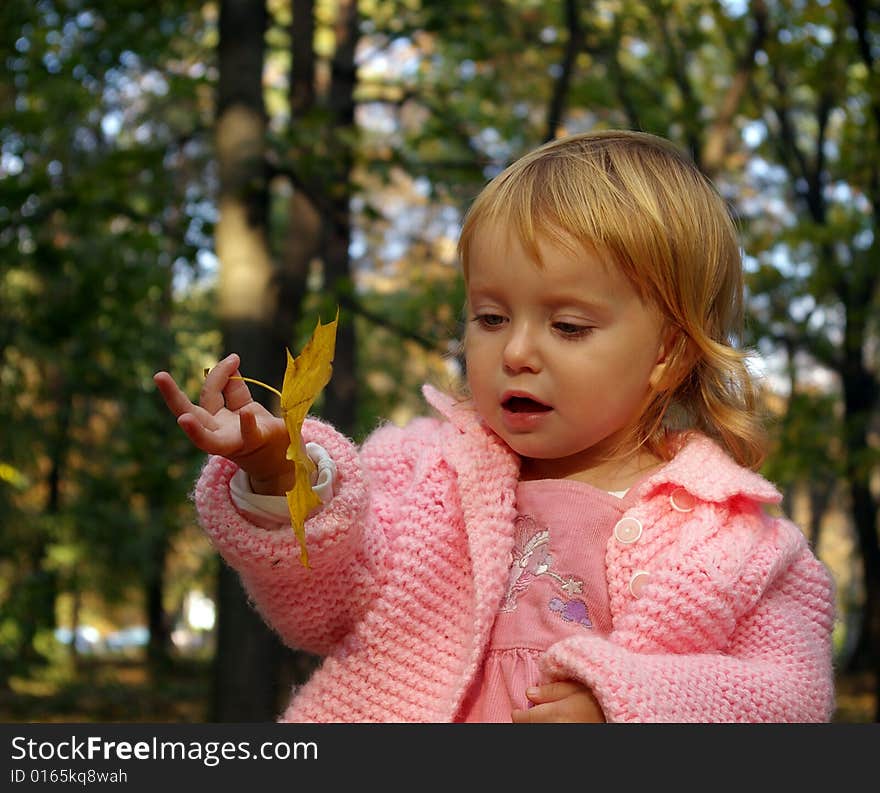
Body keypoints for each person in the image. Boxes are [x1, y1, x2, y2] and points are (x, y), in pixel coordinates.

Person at [154, 130, 836, 723]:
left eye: (567, 326)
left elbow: (790, 697)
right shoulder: (426, 475)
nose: (515, 352)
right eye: (490, 317)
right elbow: (322, 604)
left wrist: (629, 705)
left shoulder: (732, 538)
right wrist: (280, 473)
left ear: (668, 353)